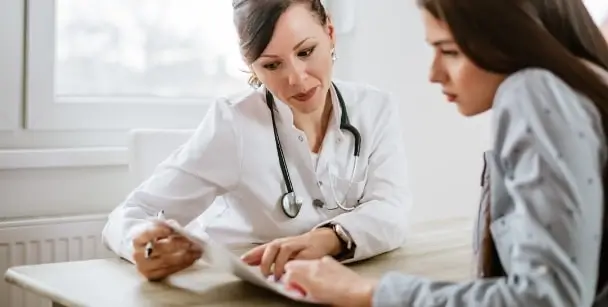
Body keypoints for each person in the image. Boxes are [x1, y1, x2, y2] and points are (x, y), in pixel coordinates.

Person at [280, 0, 608, 306]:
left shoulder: (533, 93)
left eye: (449, 51)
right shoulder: (579, 86)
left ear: (512, 37)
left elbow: (549, 297)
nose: (434, 73)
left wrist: (369, 292)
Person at [101, 0, 412, 282]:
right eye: (272, 65)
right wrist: (141, 244)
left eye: (305, 52)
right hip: (236, 287)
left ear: (330, 32)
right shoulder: (233, 123)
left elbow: (392, 209)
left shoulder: (375, 109)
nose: (297, 79)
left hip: (331, 285)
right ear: (251, 66)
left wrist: (327, 239)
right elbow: (130, 213)